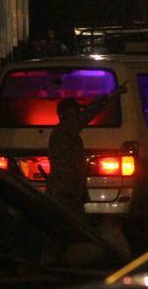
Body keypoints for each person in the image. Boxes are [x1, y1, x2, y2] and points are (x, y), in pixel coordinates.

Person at [47, 83, 127, 217]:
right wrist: (111, 95)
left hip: (68, 193)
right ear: (69, 113)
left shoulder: (62, 132)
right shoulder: (65, 130)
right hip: (65, 195)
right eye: (76, 112)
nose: (79, 115)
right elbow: (89, 113)